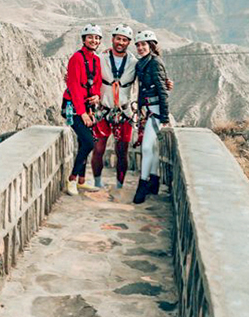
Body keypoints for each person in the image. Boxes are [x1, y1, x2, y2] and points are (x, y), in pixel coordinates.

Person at [90, 23, 138, 192]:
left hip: (123, 111)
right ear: (113, 39)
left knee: (122, 150)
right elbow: (85, 72)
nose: (121, 42)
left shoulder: (134, 63)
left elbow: (147, 78)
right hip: (103, 109)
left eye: (125, 40)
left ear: (128, 42)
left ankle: (120, 184)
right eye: (118, 39)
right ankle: (96, 182)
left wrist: (165, 83)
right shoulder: (100, 59)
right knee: (99, 148)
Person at [132, 29, 174, 204]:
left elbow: (162, 91)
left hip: (156, 113)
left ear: (151, 46)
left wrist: (164, 118)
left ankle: (142, 184)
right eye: (138, 45)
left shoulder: (155, 63)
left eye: (144, 44)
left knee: (147, 148)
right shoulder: (143, 63)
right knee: (153, 149)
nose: (140, 48)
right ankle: (154, 181)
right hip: (149, 111)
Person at [62, 23, 103, 194]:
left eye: (96, 38)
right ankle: (71, 179)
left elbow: (97, 81)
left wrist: (96, 96)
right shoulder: (76, 58)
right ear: (84, 39)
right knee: (88, 142)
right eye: (90, 37)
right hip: (73, 107)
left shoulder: (96, 60)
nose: (93, 40)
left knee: (83, 143)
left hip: (87, 106)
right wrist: (83, 113)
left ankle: (81, 180)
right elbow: (74, 86)